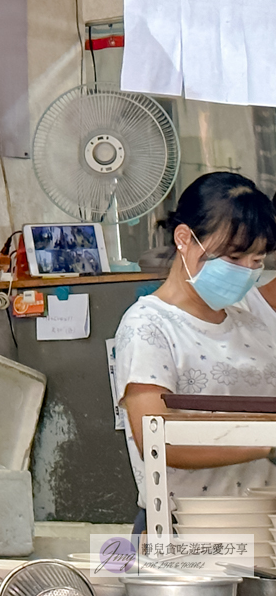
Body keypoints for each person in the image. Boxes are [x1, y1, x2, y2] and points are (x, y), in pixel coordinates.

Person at [114, 172, 276, 532]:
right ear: (185, 238)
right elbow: (158, 440)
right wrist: (266, 445)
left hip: (262, 529)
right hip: (186, 531)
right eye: (234, 256)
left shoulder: (252, 320)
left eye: (257, 259)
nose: (247, 270)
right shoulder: (149, 326)